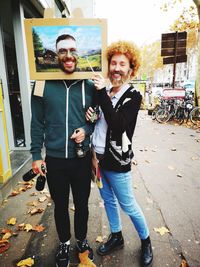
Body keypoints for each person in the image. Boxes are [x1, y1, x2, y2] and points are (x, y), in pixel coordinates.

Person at [30, 34, 96, 267]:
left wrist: (86, 130)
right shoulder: (41, 85)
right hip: (56, 159)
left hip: (81, 158)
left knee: (82, 204)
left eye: (73, 50)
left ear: (78, 53)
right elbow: (36, 122)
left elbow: (96, 119)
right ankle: (64, 243)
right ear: (55, 54)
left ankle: (82, 240)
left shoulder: (90, 84)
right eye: (63, 51)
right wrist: (36, 155)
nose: (68, 56)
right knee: (59, 205)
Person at [86, 40, 153, 267]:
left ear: (131, 69)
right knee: (108, 201)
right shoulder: (103, 91)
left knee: (128, 204)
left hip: (118, 160)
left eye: (122, 64)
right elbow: (98, 117)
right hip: (97, 159)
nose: (116, 68)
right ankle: (117, 235)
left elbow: (118, 125)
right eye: (113, 63)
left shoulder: (133, 96)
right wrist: (91, 113)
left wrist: (101, 95)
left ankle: (146, 241)